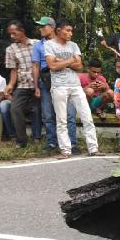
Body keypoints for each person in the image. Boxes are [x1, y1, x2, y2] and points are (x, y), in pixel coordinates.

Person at [44, 20, 99, 158]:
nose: (70, 33)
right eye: (67, 30)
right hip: (59, 86)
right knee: (61, 120)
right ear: (58, 31)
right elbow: (52, 66)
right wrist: (70, 61)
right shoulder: (49, 45)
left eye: (71, 31)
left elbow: (79, 66)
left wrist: (60, 61)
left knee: (87, 117)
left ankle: (93, 149)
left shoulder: (74, 45)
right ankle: (66, 150)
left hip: (75, 85)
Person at [32, 16, 77, 153]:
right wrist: (36, 87)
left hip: (64, 79)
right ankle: (52, 142)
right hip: (46, 81)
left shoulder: (66, 43)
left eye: (43, 26)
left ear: (52, 28)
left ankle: (72, 143)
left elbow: (76, 62)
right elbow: (36, 66)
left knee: (69, 113)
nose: (41, 29)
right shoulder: (38, 45)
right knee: (47, 114)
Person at [4, 20, 41, 148]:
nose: (12, 36)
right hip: (23, 85)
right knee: (15, 108)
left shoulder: (37, 43)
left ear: (22, 31)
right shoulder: (10, 49)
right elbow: (13, 71)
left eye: (14, 33)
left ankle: (42, 139)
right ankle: (21, 141)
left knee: (39, 109)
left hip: (40, 83)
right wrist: (10, 85)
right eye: (10, 34)